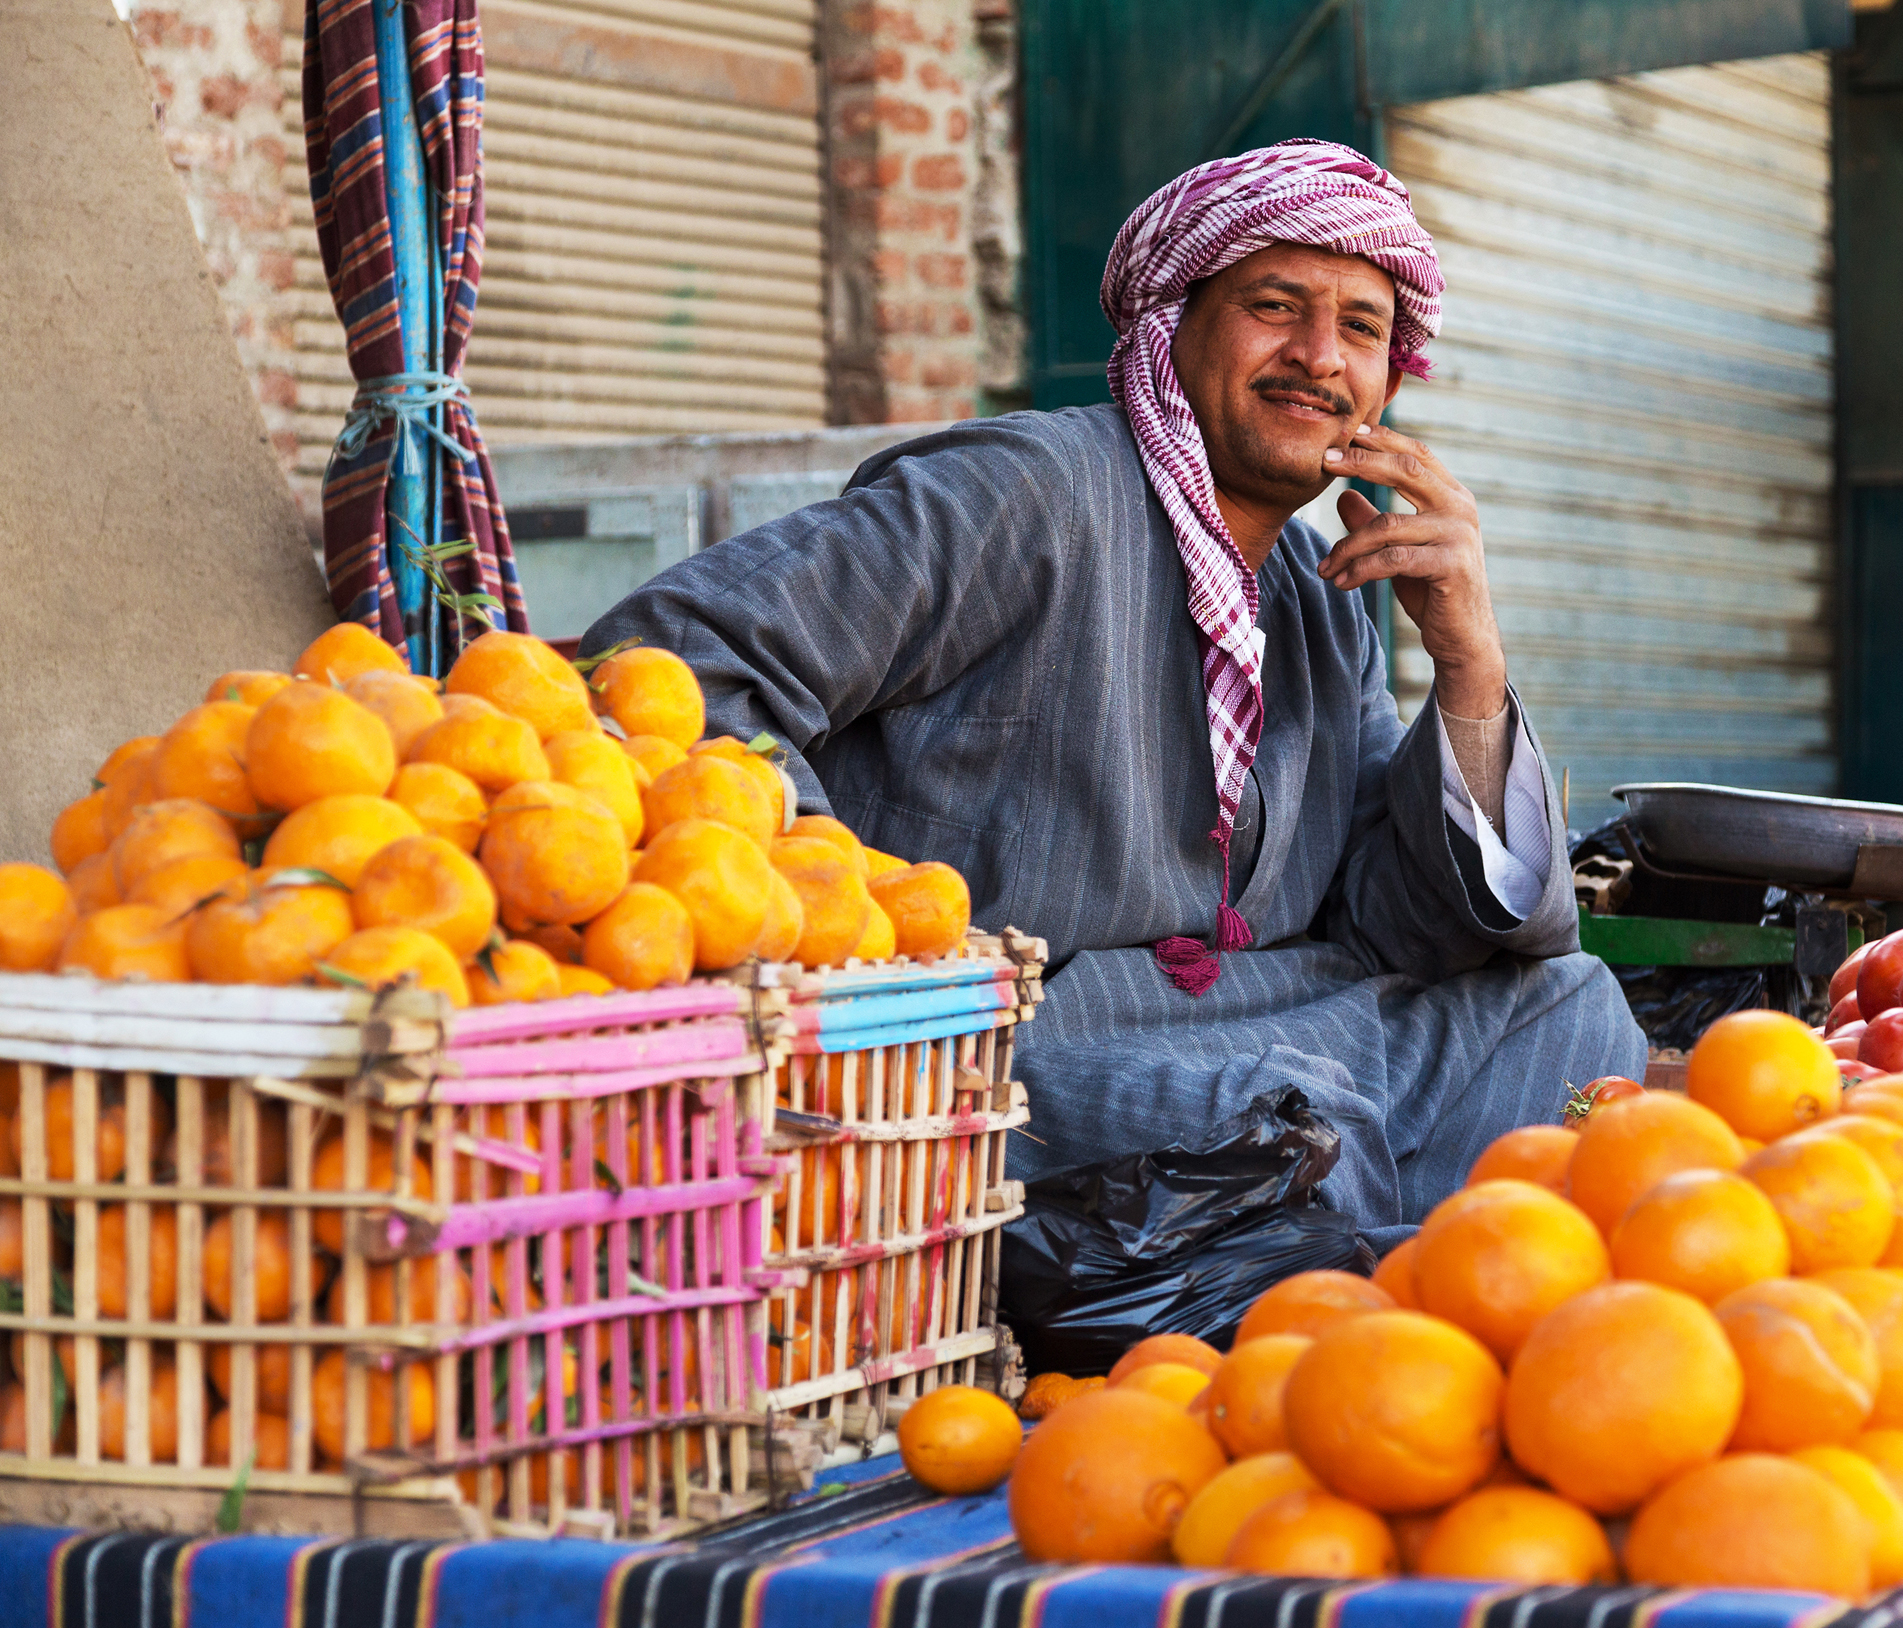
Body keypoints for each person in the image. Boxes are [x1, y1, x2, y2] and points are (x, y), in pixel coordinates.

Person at [584, 139, 1642, 1239]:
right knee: (1277, 1126)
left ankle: (1423, 1296)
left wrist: (1469, 663)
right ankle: (1380, 1308)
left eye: (1362, 328)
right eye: (1275, 306)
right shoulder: (1024, 492)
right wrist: (847, 914)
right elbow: (671, 656)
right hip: (1021, 1037)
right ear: (1172, 323)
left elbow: (1405, 927)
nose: (1321, 356)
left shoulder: (1329, 604)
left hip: (1263, 1023)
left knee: (1564, 1008)